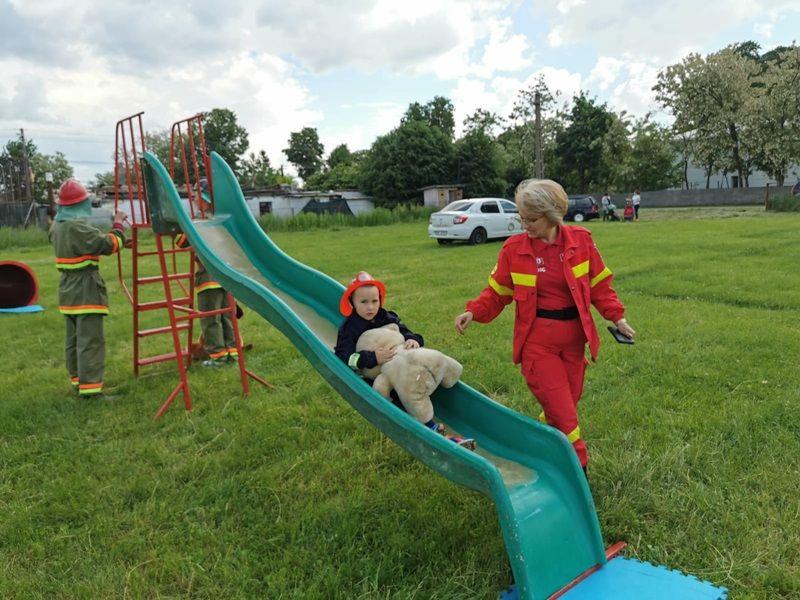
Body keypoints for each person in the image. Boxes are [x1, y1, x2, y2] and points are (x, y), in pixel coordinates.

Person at [454, 179, 635, 473]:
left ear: (552, 215)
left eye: (531, 219)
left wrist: (617, 317)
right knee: (565, 416)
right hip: (537, 345)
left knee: (565, 405)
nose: (524, 225)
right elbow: (497, 293)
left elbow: (600, 286)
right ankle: (577, 471)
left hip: (574, 342)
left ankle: (540, 445)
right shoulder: (514, 250)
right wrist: (474, 311)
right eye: (521, 218)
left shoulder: (582, 241)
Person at [336, 271, 475, 449]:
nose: (370, 307)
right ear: (352, 302)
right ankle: (432, 429)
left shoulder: (386, 317)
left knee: (424, 364)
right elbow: (344, 357)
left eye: (375, 301)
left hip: (405, 364)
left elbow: (408, 332)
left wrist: (413, 340)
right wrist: (372, 357)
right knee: (402, 393)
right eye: (364, 302)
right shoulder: (349, 329)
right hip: (381, 376)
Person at [49, 179, 126, 398]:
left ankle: (78, 381)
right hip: (85, 290)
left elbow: (84, 246)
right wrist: (118, 224)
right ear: (78, 204)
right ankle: (91, 390)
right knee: (90, 341)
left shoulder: (56, 227)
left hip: (67, 290)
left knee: (74, 340)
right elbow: (110, 245)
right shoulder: (77, 227)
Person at [174, 233, 238, 367]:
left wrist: (174, 228)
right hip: (226, 279)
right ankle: (233, 353)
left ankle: (218, 356)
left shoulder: (198, 227)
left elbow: (181, 241)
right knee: (227, 317)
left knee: (211, 320)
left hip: (209, 282)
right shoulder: (218, 228)